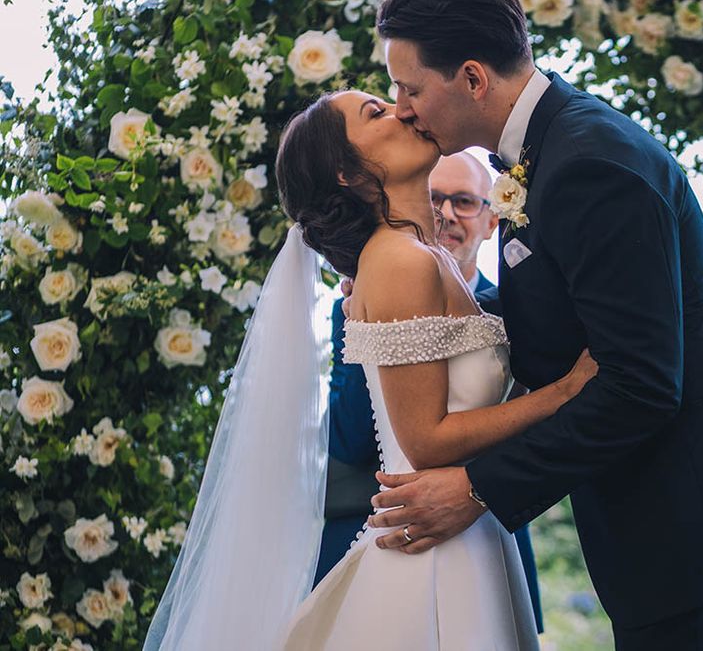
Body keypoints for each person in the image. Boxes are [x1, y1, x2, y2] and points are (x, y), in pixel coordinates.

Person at [363, 0, 703, 650]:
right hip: (670, 542)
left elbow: (640, 385)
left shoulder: (589, 164)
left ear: (471, 77)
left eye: (409, 88)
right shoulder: (543, 155)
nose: (402, 107)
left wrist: (480, 489)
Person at [143, 88, 598, 650]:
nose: (404, 109)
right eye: (376, 113)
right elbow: (427, 441)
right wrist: (563, 394)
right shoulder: (396, 261)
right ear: (346, 172)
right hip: (431, 551)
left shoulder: (421, 256)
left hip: (470, 530)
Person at [316, 152, 544, 633]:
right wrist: (376, 328)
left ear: (490, 220)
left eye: (463, 201)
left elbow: (537, 428)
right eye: (433, 198)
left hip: (491, 525)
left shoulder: (519, 309)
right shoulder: (360, 298)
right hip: (394, 534)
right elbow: (352, 438)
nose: (445, 213)